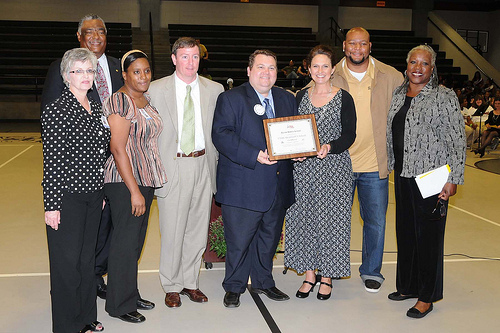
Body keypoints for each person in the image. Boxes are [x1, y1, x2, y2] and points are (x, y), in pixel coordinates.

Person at [40, 13, 123, 300]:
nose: (96, 36)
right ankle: (71, 295)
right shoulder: (59, 71)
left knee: (103, 230)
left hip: (108, 170)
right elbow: (52, 136)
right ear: (79, 37)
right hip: (73, 180)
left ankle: (95, 277)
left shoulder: (115, 66)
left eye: (101, 30)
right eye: (89, 31)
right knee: (72, 247)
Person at [212, 49, 297, 308]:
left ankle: (263, 281)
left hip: (276, 186)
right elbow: (221, 135)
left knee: (269, 238)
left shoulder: (285, 98)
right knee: (238, 240)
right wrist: (255, 155)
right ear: (249, 71)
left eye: (271, 68)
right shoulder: (231, 98)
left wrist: (298, 153)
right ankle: (234, 286)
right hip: (243, 184)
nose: (266, 73)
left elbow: (294, 132)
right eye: (260, 67)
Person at [386, 45, 465, 318]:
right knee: (406, 233)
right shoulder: (398, 94)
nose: (418, 68)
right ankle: (407, 285)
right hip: (403, 174)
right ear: (406, 65)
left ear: (432, 69)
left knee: (428, 238)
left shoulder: (444, 97)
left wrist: (453, 178)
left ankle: (427, 296)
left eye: (424, 64)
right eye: (413, 63)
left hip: (432, 177)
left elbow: (457, 139)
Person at [148, 37, 224, 308]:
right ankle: (171, 284)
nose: (190, 62)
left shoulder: (214, 90)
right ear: (173, 59)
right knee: (172, 229)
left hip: (204, 164)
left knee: (196, 228)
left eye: (194, 57)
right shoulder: (155, 90)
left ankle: (191, 282)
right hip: (173, 165)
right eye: (184, 56)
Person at [42, 47, 110, 333]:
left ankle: (85, 318)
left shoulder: (95, 105)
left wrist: (102, 193)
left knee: (86, 262)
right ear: (66, 75)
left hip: (93, 197)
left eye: (89, 71)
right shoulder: (57, 109)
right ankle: (67, 325)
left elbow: (100, 153)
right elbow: (52, 162)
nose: (84, 76)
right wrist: (51, 205)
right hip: (67, 198)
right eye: (77, 71)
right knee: (66, 265)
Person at [331, 27, 404, 292]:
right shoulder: (330, 73)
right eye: (353, 44)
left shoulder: (390, 76)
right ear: (344, 46)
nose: (357, 49)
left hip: (375, 165)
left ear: (370, 46)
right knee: (334, 219)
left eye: (362, 44)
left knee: (375, 221)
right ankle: (330, 268)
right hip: (339, 164)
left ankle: (371, 270)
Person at [284, 45, 356, 301]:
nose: (320, 70)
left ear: (333, 68)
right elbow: (291, 130)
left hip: (334, 168)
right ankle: (309, 274)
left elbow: (349, 135)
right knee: (304, 220)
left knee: (332, 222)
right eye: (316, 66)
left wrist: (331, 146)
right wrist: (295, 152)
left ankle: (327, 277)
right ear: (308, 69)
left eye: (325, 65)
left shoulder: (344, 97)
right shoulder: (299, 97)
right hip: (304, 170)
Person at [102, 50, 167, 323]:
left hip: (146, 178)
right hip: (125, 182)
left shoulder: (145, 100)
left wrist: (143, 186)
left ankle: (130, 292)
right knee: (124, 244)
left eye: (147, 71)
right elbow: (117, 149)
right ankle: (118, 305)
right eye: (136, 71)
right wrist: (134, 191)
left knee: (135, 244)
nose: (143, 76)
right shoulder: (120, 100)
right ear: (125, 74)